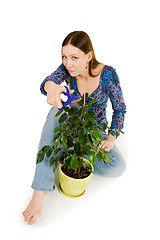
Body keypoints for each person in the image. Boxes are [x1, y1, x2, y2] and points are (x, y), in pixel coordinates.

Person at [22, 31, 127, 225]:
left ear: (89, 56)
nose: (68, 63)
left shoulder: (108, 75)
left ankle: (68, 153)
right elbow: (49, 80)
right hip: (69, 127)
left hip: (92, 132)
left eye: (74, 57)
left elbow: (120, 110)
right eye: (64, 57)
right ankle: (40, 190)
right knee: (56, 111)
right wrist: (51, 87)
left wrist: (111, 138)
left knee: (117, 166)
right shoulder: (66, 70)